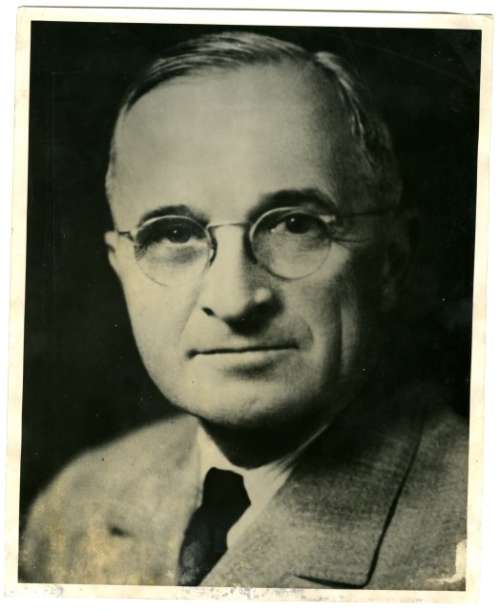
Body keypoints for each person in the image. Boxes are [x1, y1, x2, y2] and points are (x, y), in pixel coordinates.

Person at [19, 31, 467, 590]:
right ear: (121, 266)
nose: (234, 300)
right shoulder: (76, 504)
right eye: (174, 234)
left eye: (295, 225)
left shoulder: (473, 530)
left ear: (391, 261)